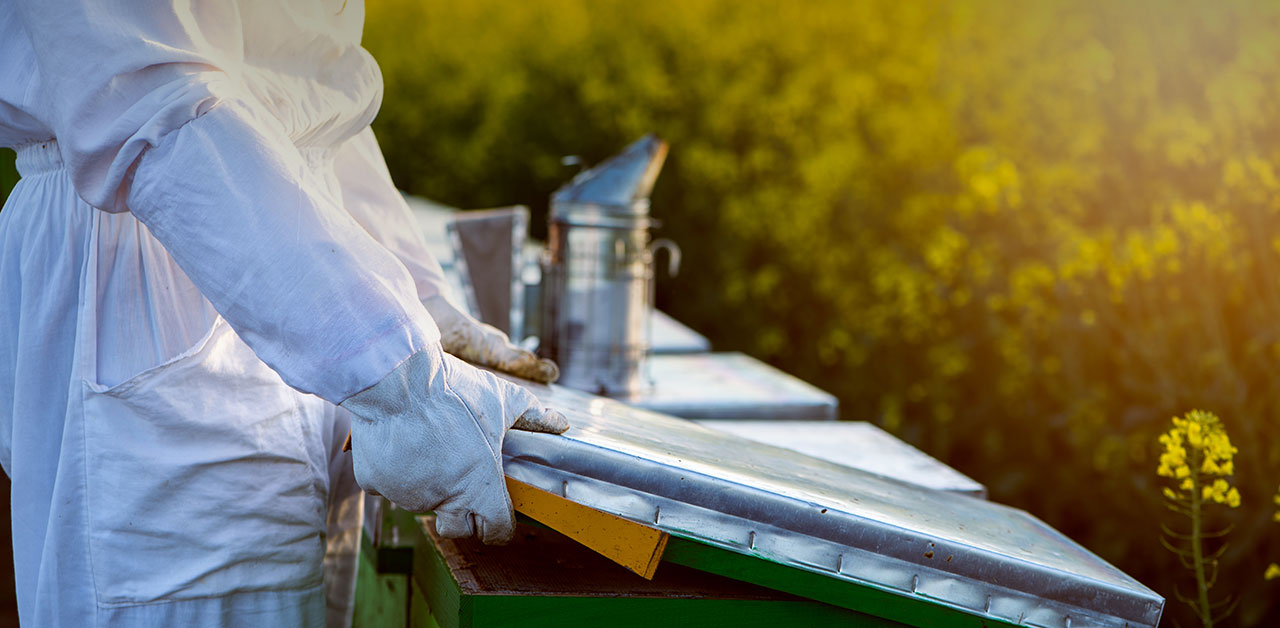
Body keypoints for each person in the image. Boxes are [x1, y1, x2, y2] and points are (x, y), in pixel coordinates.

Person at [0, 1, 567, 626]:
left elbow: (312, 96)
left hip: (309, 293)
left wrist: (412, 302)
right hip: (160, 262)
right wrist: (401, 381)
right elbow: (146, 98)